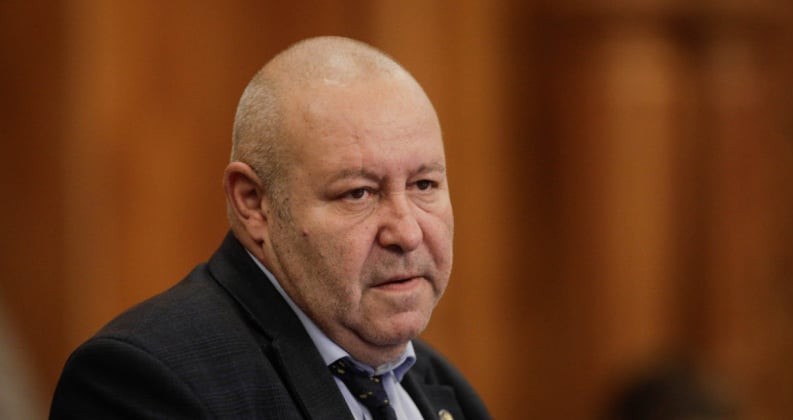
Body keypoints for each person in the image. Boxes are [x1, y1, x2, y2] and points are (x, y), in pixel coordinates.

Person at [50, 36, 491, 420]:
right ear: (253, 203)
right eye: (358, 193)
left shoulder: (439, 385)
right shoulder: (143, 381)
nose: (407, 234)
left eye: (424, 185)